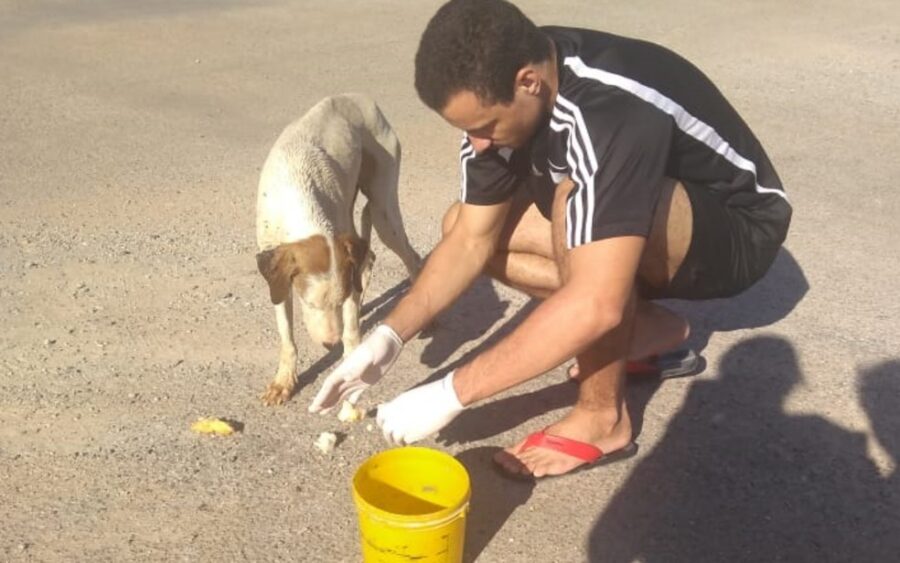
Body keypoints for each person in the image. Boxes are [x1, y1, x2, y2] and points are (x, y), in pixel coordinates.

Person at [309, 0, 792, 480]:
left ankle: (603, 418)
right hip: (641, 206)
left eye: (483, 128)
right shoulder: (503, 85)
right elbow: (471, 241)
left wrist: (449, 393)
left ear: (528, 82)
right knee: (462, 221)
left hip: (735, 227)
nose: (476, 144)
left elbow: (595, 302)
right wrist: (388, 337)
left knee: (575, 206)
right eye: (465, 130)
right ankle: (649, 330)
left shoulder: (605, 110)